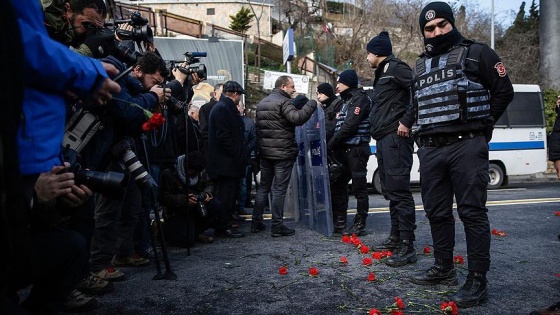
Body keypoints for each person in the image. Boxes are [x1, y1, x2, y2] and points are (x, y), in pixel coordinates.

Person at [410, 2, 514, 309]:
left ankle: (477, 281)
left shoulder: (479, 53)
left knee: (471, 212)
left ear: (452, 24)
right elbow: (416, 106)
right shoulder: (418, 66)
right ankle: (444, 268)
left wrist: (483, 127)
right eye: (429, 28)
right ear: (424, 33)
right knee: (436, 211)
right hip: (431, 149)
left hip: (466, 145)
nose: (437, 31)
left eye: (442, 24)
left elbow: (503, 91)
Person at [89, 52, 170, 281]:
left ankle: (125, 253)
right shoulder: (120, 79)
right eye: (154, 81)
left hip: (128, 151)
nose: (156, 87)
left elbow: (137, 121)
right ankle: (98, 264)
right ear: (137, 70)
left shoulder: (138, 89)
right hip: (111, 152)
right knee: (109, 210)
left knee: (132, 207)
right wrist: (152, 98)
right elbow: (126, 110)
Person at [366, 31, 417, 267]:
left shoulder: (397, 68)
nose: (366, 57)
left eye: (368, 52)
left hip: (396, 139)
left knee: (399, 191)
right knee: (390, 191)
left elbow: (419, 89)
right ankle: (396, 237)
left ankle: (408, 245)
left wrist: (407, 120)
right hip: (384, 139)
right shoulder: (382, 73)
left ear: (377, 53)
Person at [251, 76, 317, 237]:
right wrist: (312, 103)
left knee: (263, 188)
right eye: (291, 86)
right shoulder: (284, 102)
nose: (294, 90)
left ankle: (256, 223)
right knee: (279, 189)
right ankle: (277, 225)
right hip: (282, 153)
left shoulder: (262, 103)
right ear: (282, 87)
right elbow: (297, 118)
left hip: (266, 153)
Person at [327, 69, 372, 236]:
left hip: (357, 148)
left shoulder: (360, 99)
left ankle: (360, 223)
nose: (337, 85)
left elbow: (350, 125)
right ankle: (340, 222)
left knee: (359, 187)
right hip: (344, 149)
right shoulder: (345, 101)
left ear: (349, 82)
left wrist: (331, 143)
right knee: (338, 184)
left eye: (340, 82)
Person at [206, 81, 247, 238]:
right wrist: (237, 152)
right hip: (226, 163)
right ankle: (223, 226)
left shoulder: (222, 108)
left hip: (227, 163)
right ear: (235, 94)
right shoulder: (223, 109)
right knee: (226, 197)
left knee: (228, 196)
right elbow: (223, 136)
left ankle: (224, 224)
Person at [159, 152, 222, 247]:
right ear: (185, 165)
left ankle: (197, 231)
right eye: (192, 172)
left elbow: (210, 184)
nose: (193, 175)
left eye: (196, 173)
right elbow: (163, 198)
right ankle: (165, 231)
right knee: (186, 242)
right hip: (177, 211)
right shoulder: (169, 173)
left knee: (215, 204)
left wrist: (207, 193)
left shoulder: (201, 172)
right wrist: (184, 199)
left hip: (196, 207)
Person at [41, 0, 114, 58]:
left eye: (97, 29)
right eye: (88, 25)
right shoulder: (39, 20)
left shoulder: (62, 25)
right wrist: (87, 50)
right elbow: (51, 68)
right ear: (67, 10)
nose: (91, 33)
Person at [236, 100, 257, 217]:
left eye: (240, 106)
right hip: (233, 157)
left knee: (243, 183)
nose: (237, 107)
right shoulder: (229, 119)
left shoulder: (249, 123)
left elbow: (254, 139)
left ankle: (241, 206)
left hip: (245, 157)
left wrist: (245, 151)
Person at [199, 83, 224, 153]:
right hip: (212, 149)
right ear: (215, 94)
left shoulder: (227, 108)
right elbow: (204, 130)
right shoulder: (206, 108)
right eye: (222, 94)